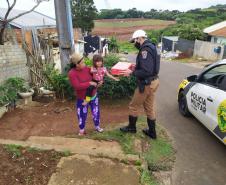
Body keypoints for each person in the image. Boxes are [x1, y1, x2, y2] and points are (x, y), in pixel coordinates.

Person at [120, 29, 160, 139]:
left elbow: (146, 71)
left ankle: (131, 128)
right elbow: (149, 67)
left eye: (135, 41)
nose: (135, 44)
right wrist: (136, 66)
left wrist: (132, 72)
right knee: (149, 108)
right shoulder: (152, 46)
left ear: (139, 38)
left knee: (133, 106)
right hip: (153, 81)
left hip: (146, 84)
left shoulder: (145, 50)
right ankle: (152, 132)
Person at [68, 53, 104, 136]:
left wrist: (100, 82)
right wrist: (89, 83)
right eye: (83, 63)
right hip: (82, 98)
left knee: (96, 112)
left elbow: (96, 77)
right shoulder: (72, 73)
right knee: (82, 114)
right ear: (76, 64)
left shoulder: (88, 69)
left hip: (94, 95)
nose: (85, 64)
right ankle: (81, 130)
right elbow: (77, 86)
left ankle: (97, 126)